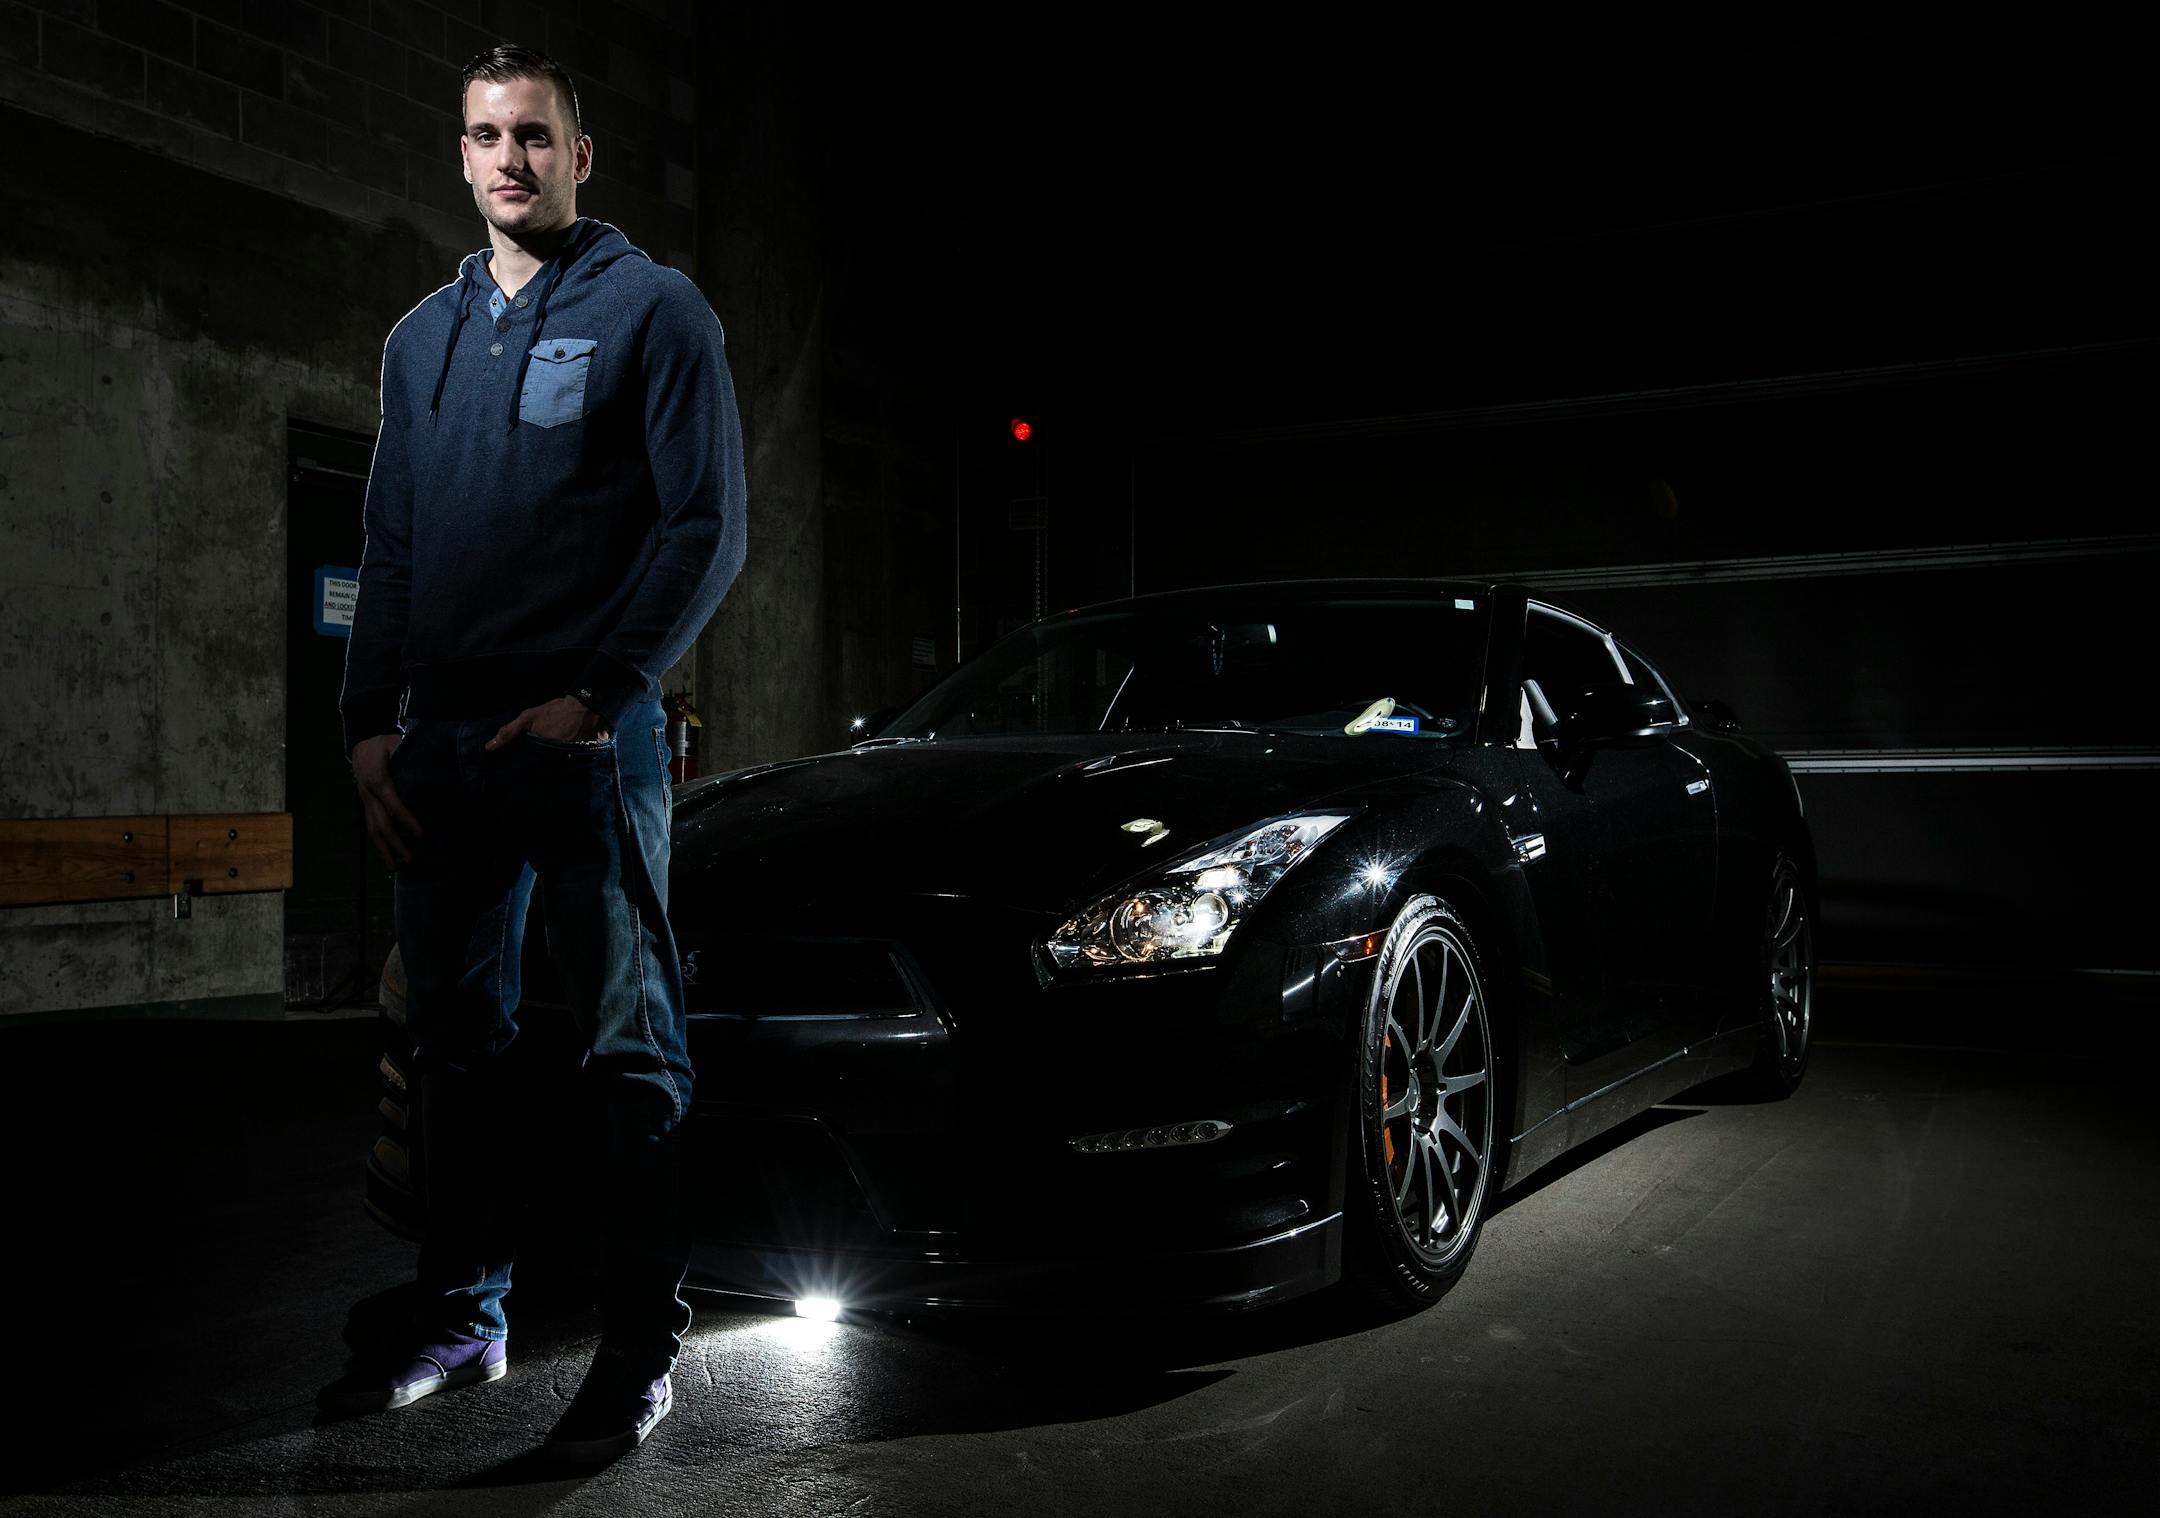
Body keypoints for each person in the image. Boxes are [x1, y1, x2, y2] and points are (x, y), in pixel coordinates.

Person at [332, 43, 745, 1462]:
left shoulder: (655, 310)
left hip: (584, 743)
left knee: (633, 1050)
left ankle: (639, 1354)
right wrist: (367, 731)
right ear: (460, 155)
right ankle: (466, 1314)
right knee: (457, 1046)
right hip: (440, 749)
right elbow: (388, 542)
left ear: (582, 156)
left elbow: (706, 526)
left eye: (535, 136)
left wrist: (598, 691)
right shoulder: (416, 342)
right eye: (484, 136)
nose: (509, 158)